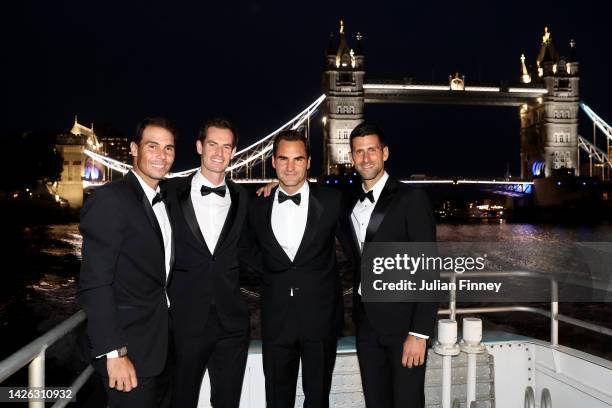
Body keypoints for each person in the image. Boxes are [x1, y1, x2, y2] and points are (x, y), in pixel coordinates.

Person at [239, 130, 354, 408]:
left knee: (317, 399)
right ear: (274, 162)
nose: (290, 166)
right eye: (283, 159)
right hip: (276, 321)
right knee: (277, 400)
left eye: (298, 159)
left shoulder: (332, 201)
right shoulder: (257, 204)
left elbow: (354, 251)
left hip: (321, 321)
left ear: (309, 162)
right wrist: (270, 272)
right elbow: (244, 248)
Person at [78, 117, 176, 407]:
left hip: (161, 349)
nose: (162, 155)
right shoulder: (111, 200)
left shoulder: (165, 198)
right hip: (127, 355)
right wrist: (113, 353)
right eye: (153, 146)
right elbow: (95, 282)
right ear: (134, 149)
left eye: (169, 148)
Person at [348, 123, 438, 408]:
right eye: (359, 152)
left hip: (404, 329)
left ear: (385, 153)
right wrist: (275, 185)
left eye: (371, 150)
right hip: (366, 326)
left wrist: (420, 333)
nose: (365, 158)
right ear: (351, 158)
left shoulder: (411, 198)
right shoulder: (347, 201)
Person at [163, 119, 250, 408]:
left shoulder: (245, 198)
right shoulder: (168, 194)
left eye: (226, 146)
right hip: (185, 322)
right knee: (180, 401)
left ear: (234, 151)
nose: (218, 153)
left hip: (232, 324)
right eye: (212, 144)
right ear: (200, 146)